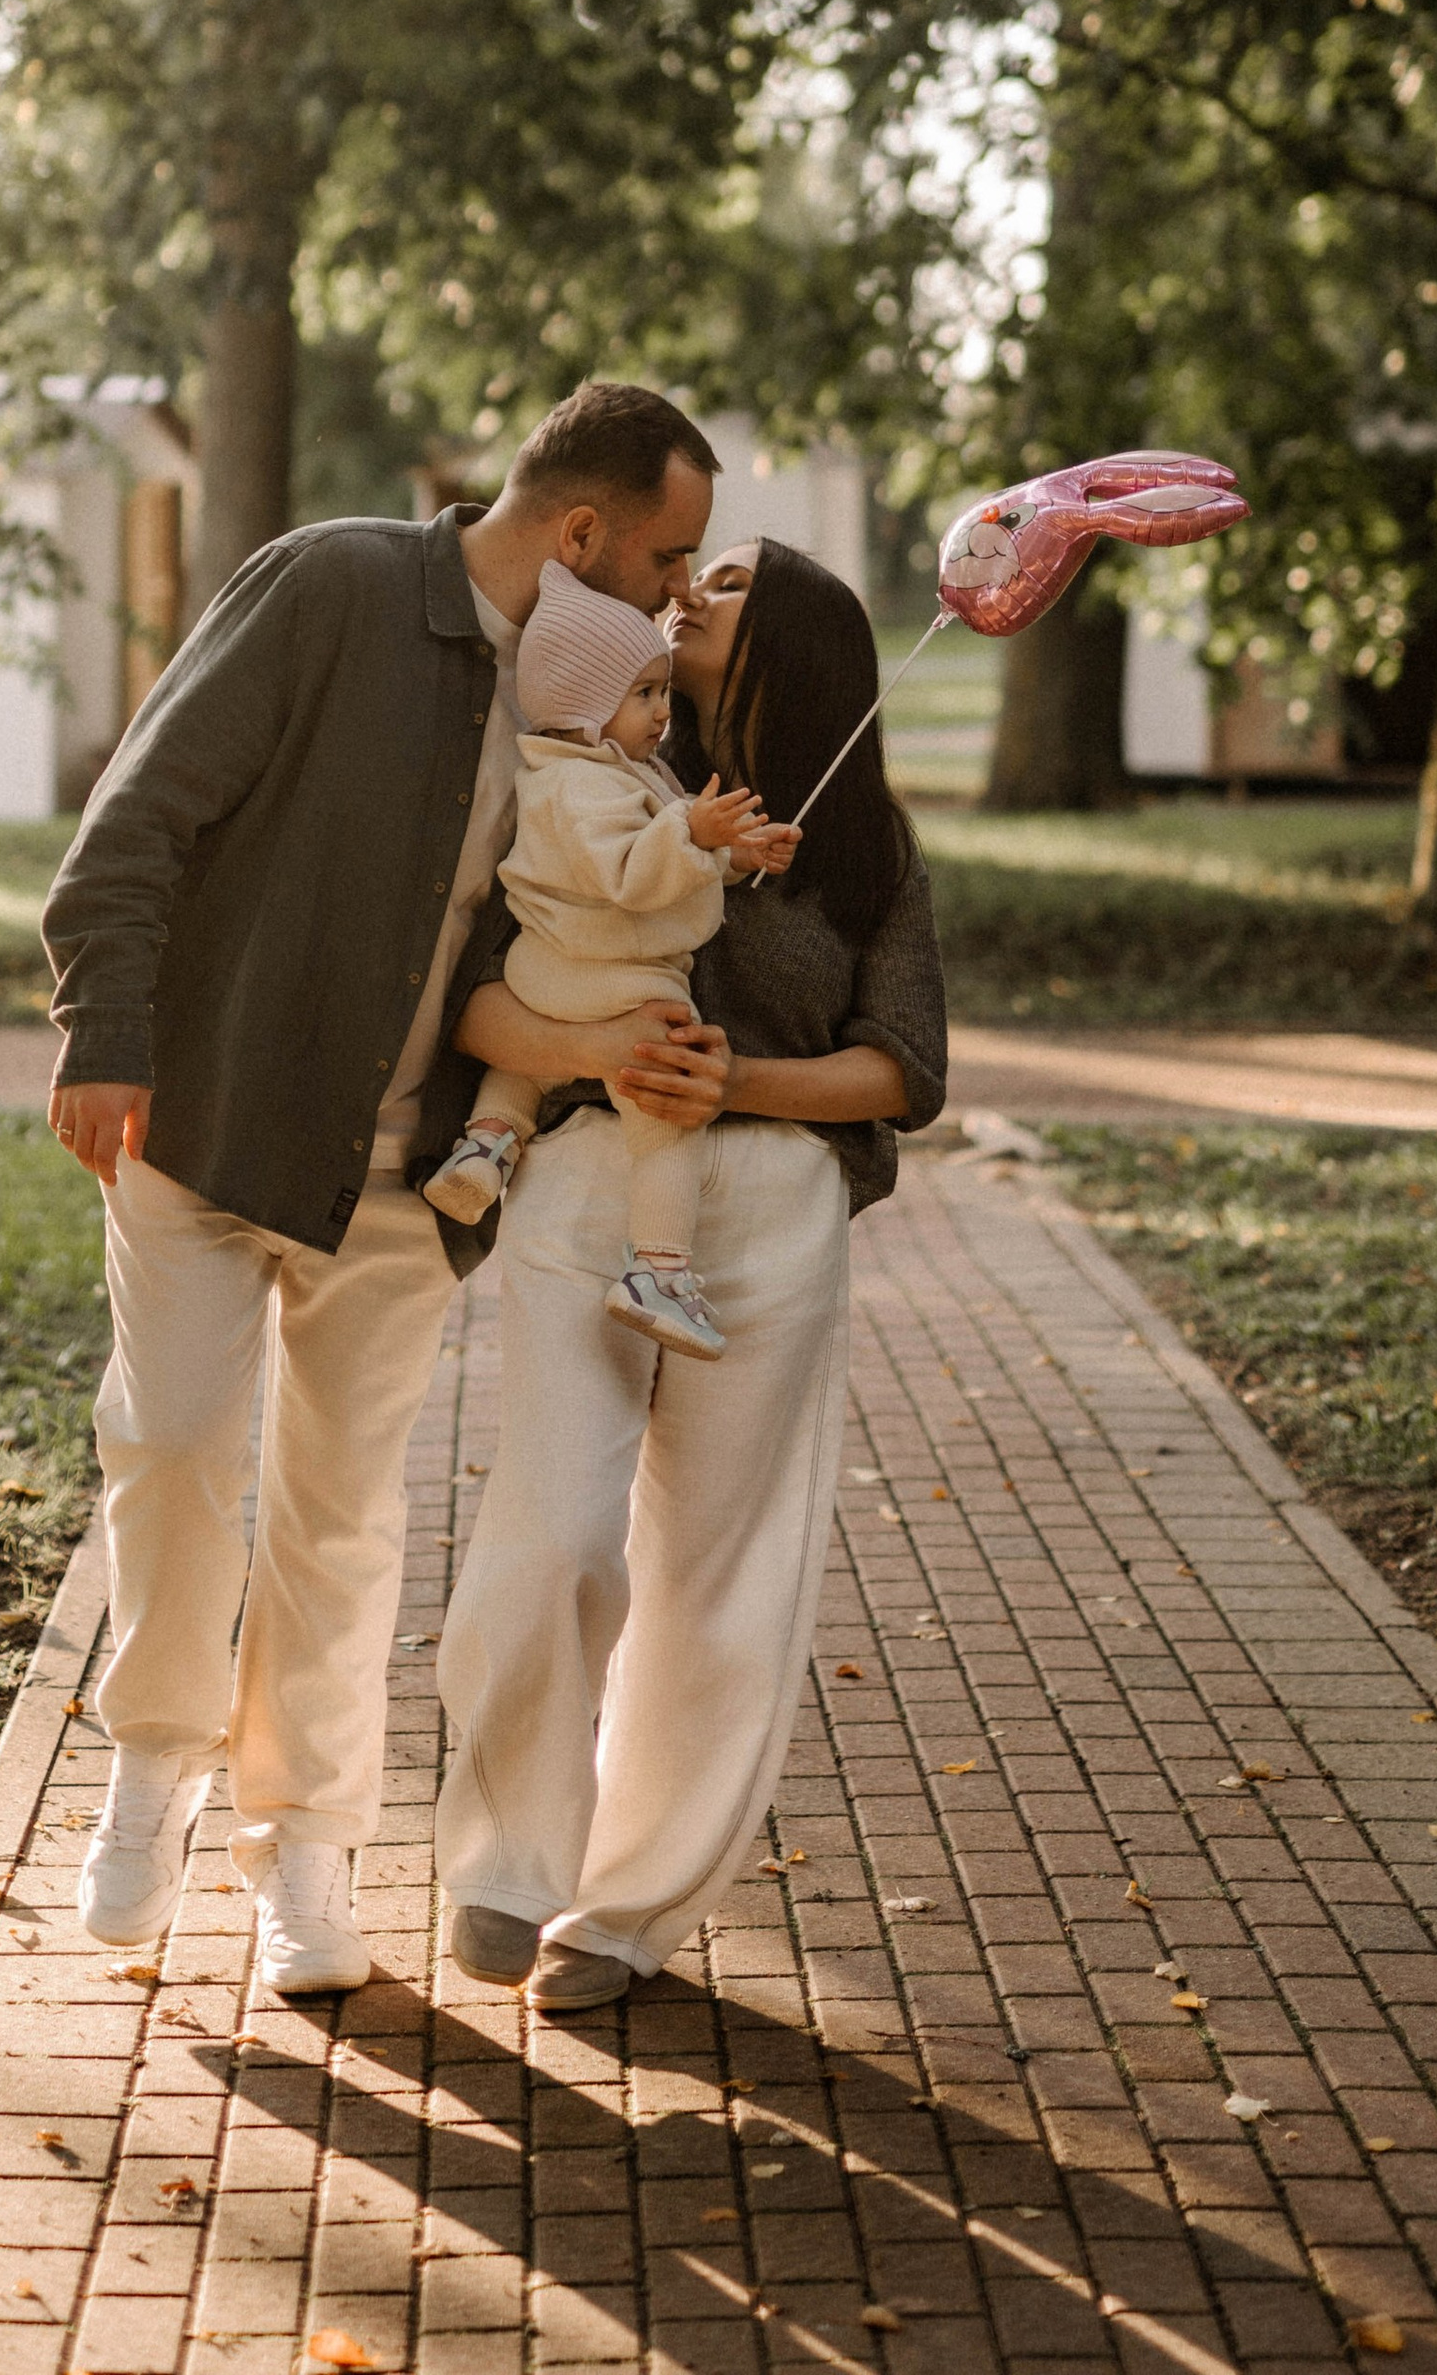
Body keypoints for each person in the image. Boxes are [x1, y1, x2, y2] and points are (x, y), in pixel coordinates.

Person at [37, 382, 718, 1997]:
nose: (678, 596)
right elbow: (140, 814)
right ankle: (153, 1769)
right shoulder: (330, 582)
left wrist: (595, 1045)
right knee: (177, 1446)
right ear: (580, 533)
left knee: (343, 1520)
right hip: (206, 1121)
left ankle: (307, 1853)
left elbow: (515, 948)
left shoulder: (587, 704)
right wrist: (104, 1031)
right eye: (665, 556)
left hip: (410, 1186)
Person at [431, 535, 947, 2012]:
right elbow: (476, 999)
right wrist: (602, 1055)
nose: (679, 598)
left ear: (791, 646)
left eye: (717, 588)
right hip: (590, 1179)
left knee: (721, 1573)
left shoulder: (868, 847)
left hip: (774, 1213)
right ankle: (507, 1863)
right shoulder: (579, 765)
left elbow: (904, 1071)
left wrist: (741, 1090)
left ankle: (627, 1908)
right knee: (554, 1530)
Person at [421, 560, 798, 1359]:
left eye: (664, 693)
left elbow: (664, 855)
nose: (663, 713)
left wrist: (735, 851)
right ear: (585, 705)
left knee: (528, 1063)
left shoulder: (599, 772)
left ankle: (487, 1142)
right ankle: (658, 1268)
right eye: (644, 695)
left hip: (549, 974)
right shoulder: (577, 789)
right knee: (665, 1113)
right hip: (615, 981)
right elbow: (631, 874)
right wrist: (694, 834)